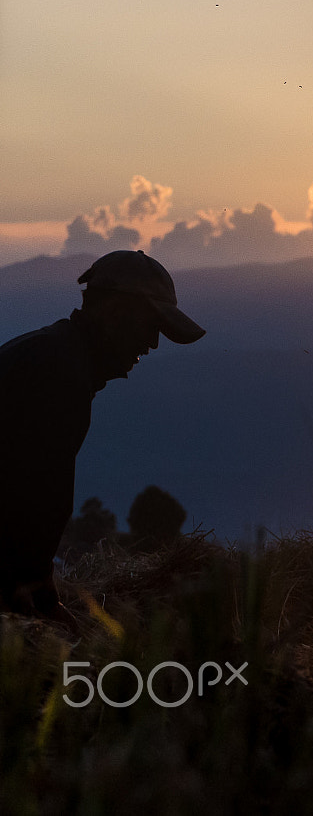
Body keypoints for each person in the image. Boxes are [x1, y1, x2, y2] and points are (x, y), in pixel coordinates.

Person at [0, 250, 205, 620]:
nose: (153, 345)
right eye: (150, 326)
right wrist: (33, 597)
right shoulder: (58, 375)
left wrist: (42, 594)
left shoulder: (53, 356)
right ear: (114, 314)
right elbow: (26, 498)